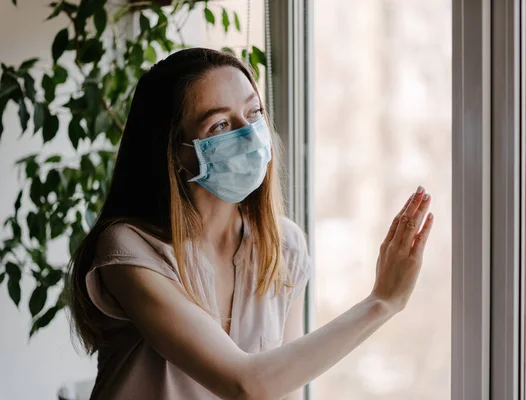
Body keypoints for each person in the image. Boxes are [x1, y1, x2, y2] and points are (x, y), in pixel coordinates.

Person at [68, 48, 434, 400]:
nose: (248, 134)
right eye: (220, 124)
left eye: (254, 112)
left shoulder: (284, 245)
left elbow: (283, 390)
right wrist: (381, 303)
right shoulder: (129, 250)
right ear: (175, 151)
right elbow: (246, 385)